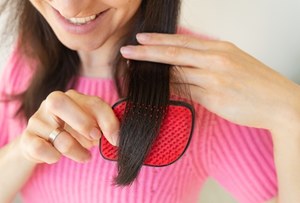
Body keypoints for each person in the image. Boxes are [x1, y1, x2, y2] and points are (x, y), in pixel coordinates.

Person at [0, 0, 299, 203]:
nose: (69, 6)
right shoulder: (26, 57)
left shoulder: (202, 83)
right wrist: (25, 150)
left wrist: (291, 112)